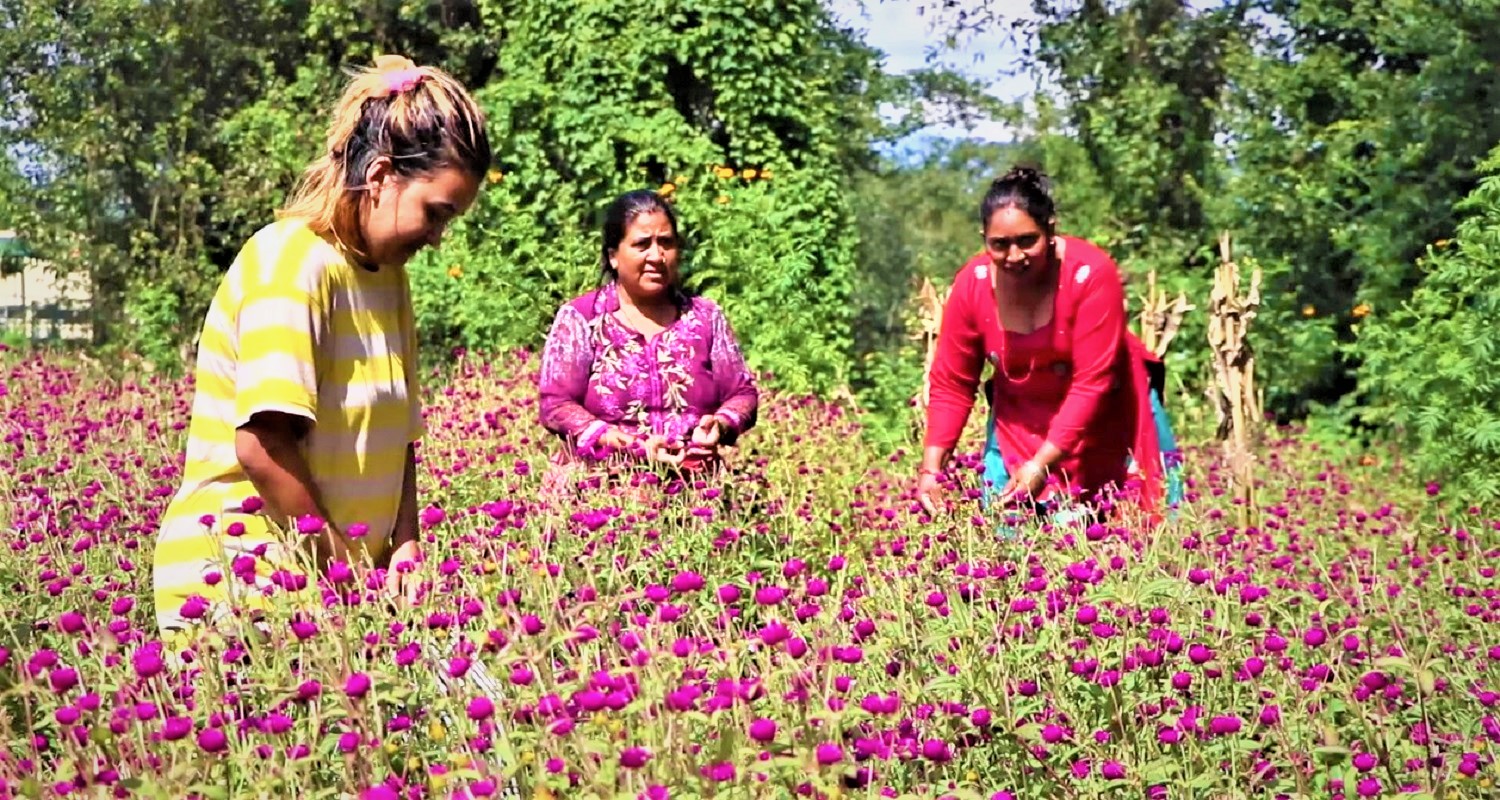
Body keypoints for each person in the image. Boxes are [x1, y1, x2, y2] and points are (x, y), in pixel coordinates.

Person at [152, 55, 491, 636]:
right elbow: (263, 445)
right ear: (381, 176)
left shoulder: (388, 278)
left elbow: (399, 438)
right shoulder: (293, 261)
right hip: (241, 595)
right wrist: (347, 574)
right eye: (435, 214)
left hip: (337, 596)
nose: (438, 238)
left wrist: (404, 545)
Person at [917, 166, 1181, 522]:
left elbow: (1092, 382)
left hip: (1110, 415)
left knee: (1136, 531)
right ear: (984, 239)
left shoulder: (1089, 274)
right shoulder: (973, 285)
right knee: (1008, 539)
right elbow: (953, 383)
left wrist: (1042, 463)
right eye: (999, 244)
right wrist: (932, 470)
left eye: (1027, 240)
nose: (1014, 256)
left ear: (1051, 231)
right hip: (1018, 423)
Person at [538, 189, 758, 481]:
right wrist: (626, 444)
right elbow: (556, 404)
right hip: (600, 497)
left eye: (666, 243)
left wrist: (720, 424)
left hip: (697, 498)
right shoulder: (582, 318)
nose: (657, 256)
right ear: (614, 256)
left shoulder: (705, 317)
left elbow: (742, 393)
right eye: (642, 245)